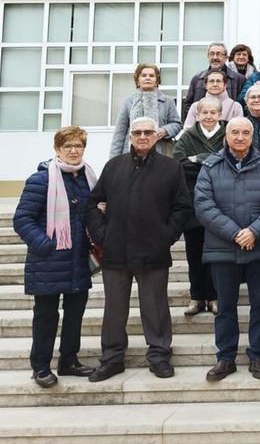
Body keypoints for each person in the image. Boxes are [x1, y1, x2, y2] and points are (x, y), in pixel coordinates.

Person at [86, 116, 192, 382]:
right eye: (137, 132)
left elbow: (182, 208)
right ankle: (111, 359)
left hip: (153, 251)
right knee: (114, 309)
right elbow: (91, 204)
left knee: (155, 307)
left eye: (148, 132)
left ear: (156, 136)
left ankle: (158, 356)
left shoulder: (171, 168)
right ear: (130, 136)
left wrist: (166, 236)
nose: (143, 136)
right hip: (116, 252)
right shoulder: (113, 166)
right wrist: (102, 235)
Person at [194, 117, 260, 382]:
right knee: (225, 306)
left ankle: (257, 355)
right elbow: (203, 206)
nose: (239, 137)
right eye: (234, 132)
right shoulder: (210, 167)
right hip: (222, 249)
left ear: (251, 136)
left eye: (245, 132)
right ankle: (225, 358)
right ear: (226, 135)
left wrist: (254, 231)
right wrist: (236, 233)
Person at [14, 126, 97, 388]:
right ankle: (40, 367)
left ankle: (69, 361)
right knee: (46, 316)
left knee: (75, 313)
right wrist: (46, 245)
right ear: (57, 149)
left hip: (78, 260)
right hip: (48, 261)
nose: (73, 151)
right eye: (68, 146)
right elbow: (22, 219)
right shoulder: (41, 179)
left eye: (78, 146)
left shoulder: (88, 179)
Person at [172, 97, 226, 317]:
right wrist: (210, 162)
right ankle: (196, 297)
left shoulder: (227, 133)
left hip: (220, 203)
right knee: (194, 253)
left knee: (215, 254)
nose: (209, 117)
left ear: (219, 115)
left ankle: (214, 297)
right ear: (197, 115)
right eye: (205, 113)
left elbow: (228, 161)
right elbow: (179, 163)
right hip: (193, 204)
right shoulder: (187, 136)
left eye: (213, 113)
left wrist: (198, 159)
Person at [111, 63, 182, 157]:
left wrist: (165, 130)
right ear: (137, 80)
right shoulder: (128, 102)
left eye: (151, 76)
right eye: (144, 75)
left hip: (160, 152)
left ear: (157, 80)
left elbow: (177, 124)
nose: (148, 78)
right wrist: (113, 161)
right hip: (131, 153)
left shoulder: (167, 101)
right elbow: (119, 134)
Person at [182, 42, 246, 115]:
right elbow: (188, 105)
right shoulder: (197, 78)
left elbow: (243, 105)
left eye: (218, 54)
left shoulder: (239, 79)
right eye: (212, 54)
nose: (215, 57)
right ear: (208, 56)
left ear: (226, 58)